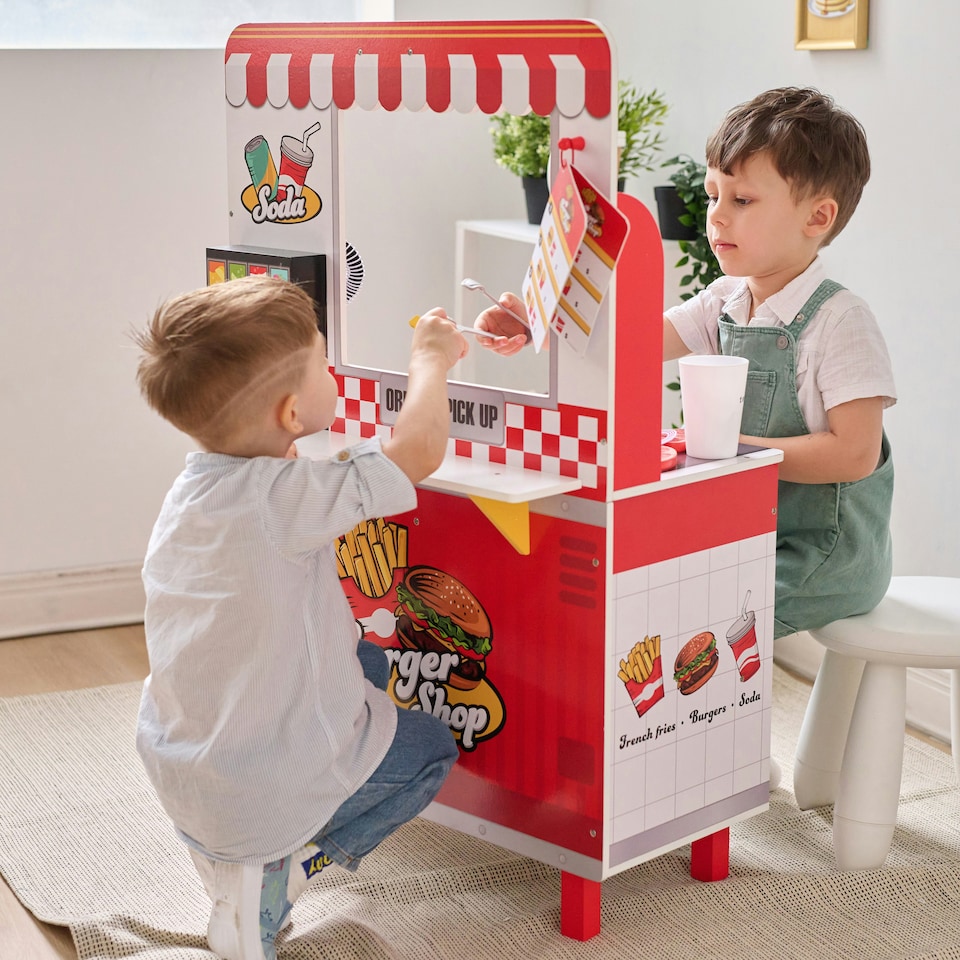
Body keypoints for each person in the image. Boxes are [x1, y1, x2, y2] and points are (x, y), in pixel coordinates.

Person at [476, 87, 896, 643]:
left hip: (824, 555)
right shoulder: (723, 300)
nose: (716, 216)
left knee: (686, 614)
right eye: (712, 195)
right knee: (636, 588)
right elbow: (628, 343)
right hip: (747, 528)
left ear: (817, 217)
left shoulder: (841, 321)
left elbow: (855, 453)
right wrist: (537, 320)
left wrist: (733, 450)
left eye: (741, 201)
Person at [133, 274, 466, 960]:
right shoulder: (287, 499)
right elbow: (420, 452)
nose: (333, 370)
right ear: (291, 412)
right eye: (322, 361)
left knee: (367, 660)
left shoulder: (194, 487)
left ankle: (247, 871)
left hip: (186, 767)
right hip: (258, 785)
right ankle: (283, 870)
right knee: (432, 747)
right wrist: (431, 359)